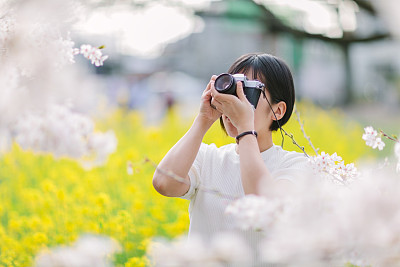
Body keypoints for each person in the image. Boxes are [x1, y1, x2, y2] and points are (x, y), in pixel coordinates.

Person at [152, 53, 308, 265]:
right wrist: (204, 119)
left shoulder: (296, 165)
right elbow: (164, 184)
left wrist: (245, 128)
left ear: (278, 111)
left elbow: (265, 209)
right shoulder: (207, 157)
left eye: (248, 92)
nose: (236, 101)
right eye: (234, 90)